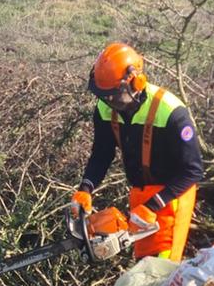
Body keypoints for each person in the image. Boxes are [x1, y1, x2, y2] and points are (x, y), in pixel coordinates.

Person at [72, 42, 204, 261]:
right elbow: (102, 153)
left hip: (172, 197)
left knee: (162, 270)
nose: (109, 101)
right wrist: (86, 187)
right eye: (104, 95)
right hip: (140, 197)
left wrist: (154, 204)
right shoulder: (106, 108)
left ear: (136, 83)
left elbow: (194, 170)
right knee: (143, 265)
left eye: (113, 94)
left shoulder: (171, 112)